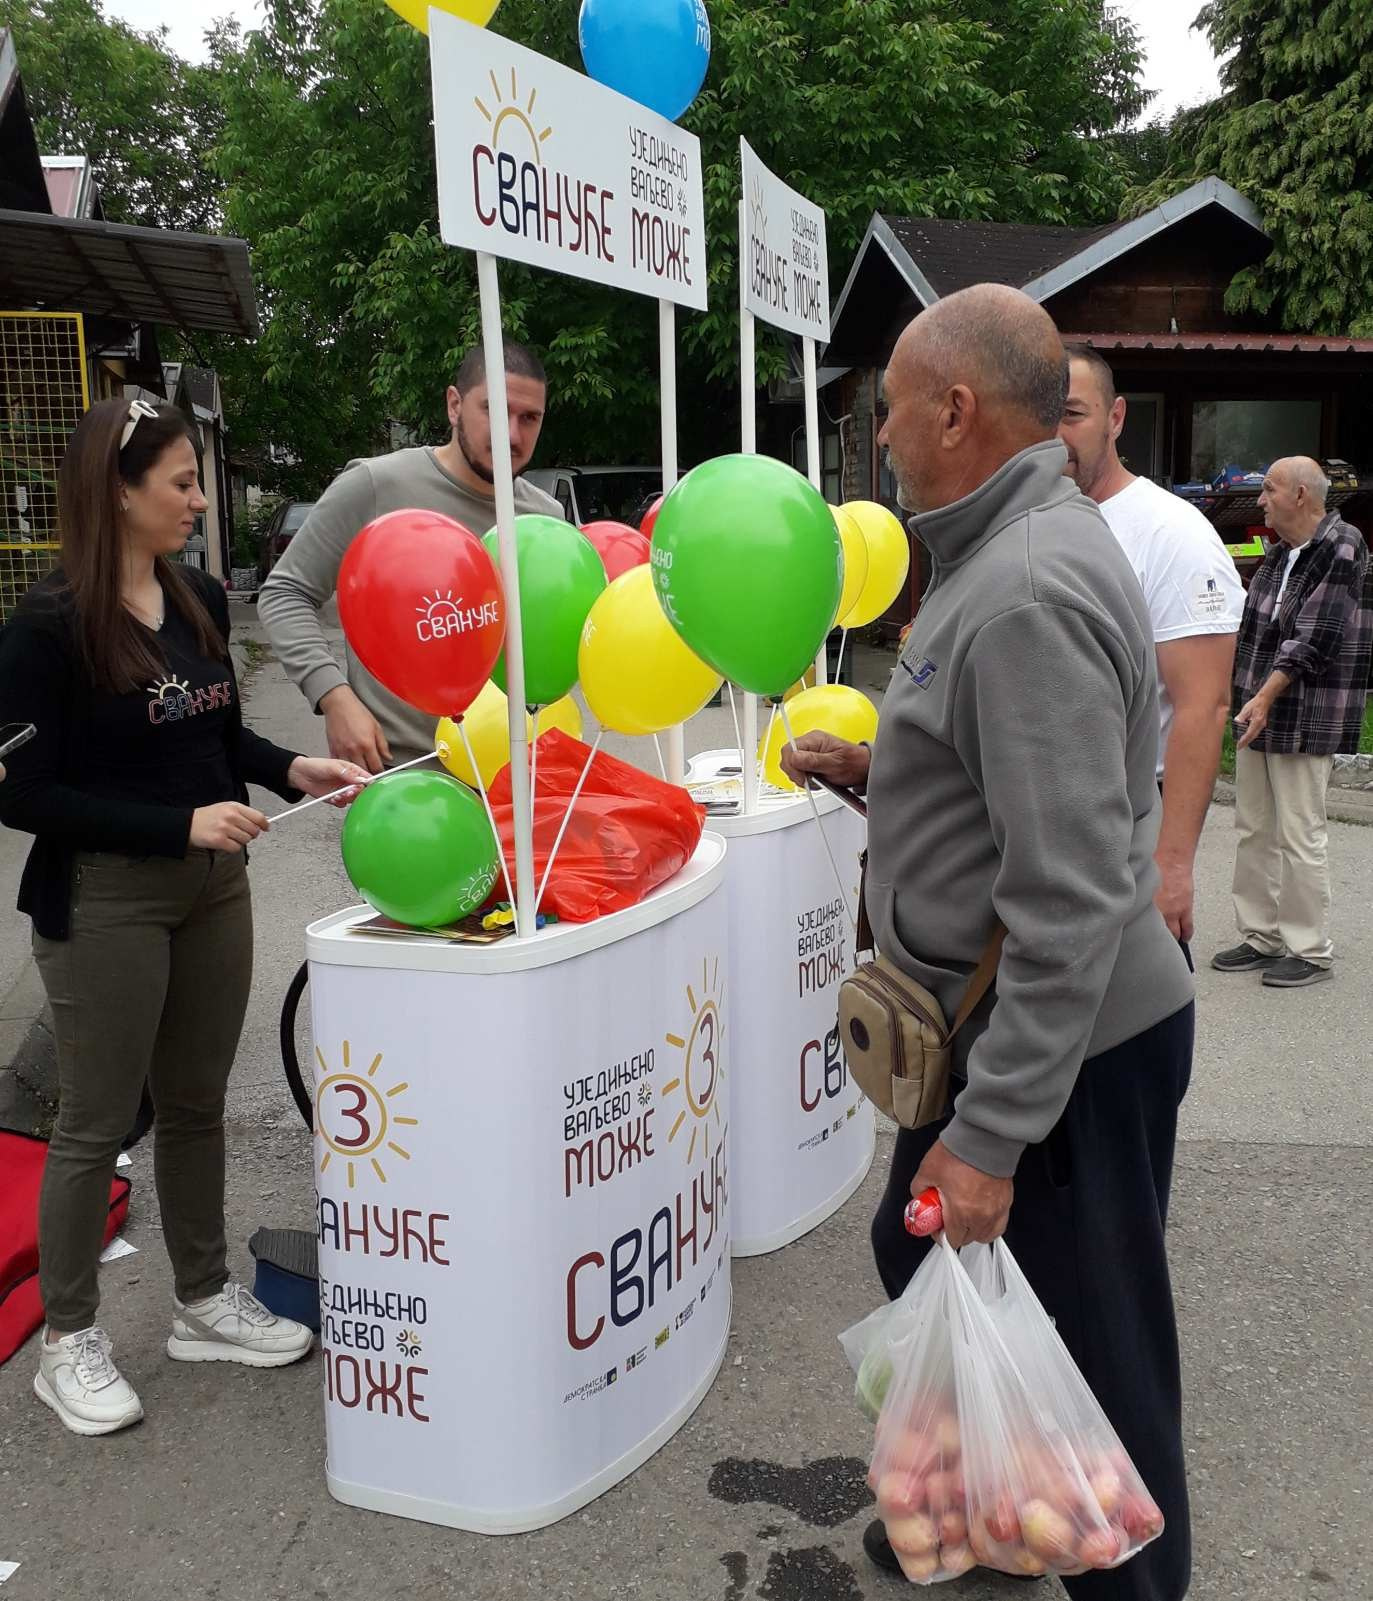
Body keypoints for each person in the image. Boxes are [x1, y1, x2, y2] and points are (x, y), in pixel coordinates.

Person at [782, 285, 1195, 1601]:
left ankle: (1129, 1579)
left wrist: (991, 1134)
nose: (882, 439)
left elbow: (1069, 898)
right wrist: (889, 773)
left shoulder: (1017, 590)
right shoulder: (1001, 555)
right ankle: (973, 1511)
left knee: (1098, 1348)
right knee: (917, 1256)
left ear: (955, 408)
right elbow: (1007, 785)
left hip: (1056, 1046)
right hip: (1003, 1025)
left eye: (891, 411)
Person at [0, 398, 370, 1437]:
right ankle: (68, 1339)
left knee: (196, 1101)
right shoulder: (46, 626)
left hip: (214, 886)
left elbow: (214, 728)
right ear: (118, 490)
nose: (200, 500)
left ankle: (202, 1298)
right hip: (108, 900)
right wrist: (176, 825)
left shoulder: (195, 592)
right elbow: (21, 796)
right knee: (95, 1121)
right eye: (181, 482)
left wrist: (289, 767)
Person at [258, 341, 563, 769]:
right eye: (494, 410)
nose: (512, 434)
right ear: (454, 405)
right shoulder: (376, 485)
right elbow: (286, 592)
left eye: (529, 418)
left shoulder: (546, 519)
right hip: (403, 782)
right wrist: (334, 698)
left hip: (518, 780)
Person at [1059, 345, 1243, 946]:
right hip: (1051, 811)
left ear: (1115, 418)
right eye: (1042, 416)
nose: (1055, 435)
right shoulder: (1033, 522)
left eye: (1072, 414)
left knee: (1139, 1009)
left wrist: (1174, 865)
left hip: (1135, 813)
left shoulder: (1172, 533)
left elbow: (1203, 707)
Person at [1211, 457, 1372, 987]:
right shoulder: (1278, 555)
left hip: (1307, 713)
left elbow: (1316, 635)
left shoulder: (1343, 545)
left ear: (1301, 495)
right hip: (1258, 712)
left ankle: (1309, 949)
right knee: (1253, 826)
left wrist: (1263, 697)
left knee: (1300, 832)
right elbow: (1250, 632)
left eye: (1270, 490)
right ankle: (1262, 936)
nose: (1260, 500)